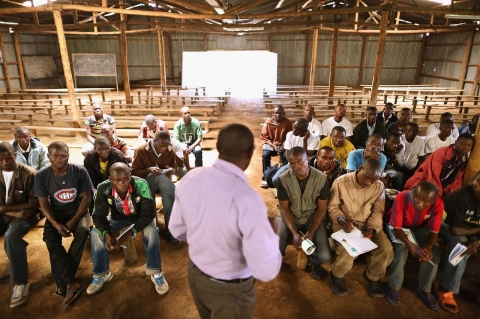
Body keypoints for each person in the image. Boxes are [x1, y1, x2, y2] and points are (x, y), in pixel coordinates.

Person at [170, 124, 282, 319]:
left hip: (196, 274)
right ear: (250, 152)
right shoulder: (248, 199)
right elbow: (265, 270)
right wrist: (270, 236)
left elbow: (177, 229)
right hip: (230, 291)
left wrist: (206, 234)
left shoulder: (191, 178)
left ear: (218, 148)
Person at [87, 163, 169, 296]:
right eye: (117, 180)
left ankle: (156, 272)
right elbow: (98, 216)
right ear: (110, 179)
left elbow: (148, 214)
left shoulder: (140, 184)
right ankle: (102, 274)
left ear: (130, 175)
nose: (122, 183)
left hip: (139, 217)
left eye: (126, 178)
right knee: (96, 233)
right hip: (117, 218)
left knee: (151, 231)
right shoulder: (103, 188)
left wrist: (127, 234)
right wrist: (107, 234)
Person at [34, 141, 93, 306]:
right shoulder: (41, 176)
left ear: (68, 156)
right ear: (48, 157)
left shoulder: (79, 171)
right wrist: (55, 223)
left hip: (78, 210)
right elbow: (43, 204)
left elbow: (87, 198)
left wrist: (74, 221)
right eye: (56, 156)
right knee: (50, 238)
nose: (60, 159)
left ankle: (63, 282)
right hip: (56, 212)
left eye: (64, 156)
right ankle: (70, 281)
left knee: (82, 231)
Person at [328, 158, 393, 297]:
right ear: (359, 168)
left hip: (368, 223)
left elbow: (377, 211)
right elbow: (333, 208)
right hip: (345, 223)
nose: (368, 183)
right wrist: (342, 221)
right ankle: (336, 275)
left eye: (373, 180)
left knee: (386, 249)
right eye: (366, 177)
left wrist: (371, 228)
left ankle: (372, 277)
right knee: (348, 251)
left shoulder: (379, 186)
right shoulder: (340, 182)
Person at [385, 181, 444, 309]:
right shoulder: (402, 197)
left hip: (418, 228)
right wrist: (411, 245)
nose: (420, 203)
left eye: (426, 202)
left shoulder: (438, 204)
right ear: (414, 192)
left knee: (434, 252)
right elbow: (397, 228)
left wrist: (427, 247)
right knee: (400, 250)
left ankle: (425, 287)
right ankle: (394, 286)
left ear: (433, 201)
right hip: (398, 228)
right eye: (417, 198)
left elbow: (433, 232)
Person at [277, 147, 331, 280]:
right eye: (292, 163)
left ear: (308, 159)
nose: (296, 166)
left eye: (300, 161)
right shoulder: (283, 179)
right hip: (290, 216)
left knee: (324, 256)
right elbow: (284, 208)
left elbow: (321, 208)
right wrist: (294, 232)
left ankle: (314, 263)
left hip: (311, 218)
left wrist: (311, 231)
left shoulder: (322, 179)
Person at [0, 142, 39, 307]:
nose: (4, 162)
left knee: (11, 237)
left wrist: (6, 210)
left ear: (15, 155)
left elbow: (34, 203)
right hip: (8, 214)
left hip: (25, 216)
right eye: (0, 160)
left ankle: (21, 282)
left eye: (8, 158)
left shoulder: (29, 173)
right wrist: (10, 211)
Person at [439, 172, 480, 313]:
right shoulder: (462, 196)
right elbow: (455, 231)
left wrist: (477, 241)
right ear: (473, 180)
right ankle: (445, 288)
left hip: (470, 230)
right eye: (479, 182)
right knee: (461, 247)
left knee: (468, 245)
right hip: (445, 224)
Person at [131, 131, 178, 245]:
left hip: (163, 185)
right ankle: (179, 197)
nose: (163, 149)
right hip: (145, 183)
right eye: (160, 146)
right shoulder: (141, 150)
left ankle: (171, 233)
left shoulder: (170, 150)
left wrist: (170, 170)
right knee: (163, 181)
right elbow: (134, 173)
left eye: (166, 146)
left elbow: (173, 167)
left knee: (169, 199)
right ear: (154, 141)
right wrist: (148, 170)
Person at [404, 133, 474, 197]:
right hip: (425, 180)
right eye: (463, 144)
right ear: (456, 142)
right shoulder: (442, 152)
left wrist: (450, 194)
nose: (465, 147)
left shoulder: (464, 161)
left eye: (469, 145)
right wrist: (438, 193)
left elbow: (457, 181)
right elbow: (433, 174)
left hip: (442, 187)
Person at [271, 118, 319, 187]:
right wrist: (293, 166)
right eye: (294, 128)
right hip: (291, 164)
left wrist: (305, 141)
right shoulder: (290, 134)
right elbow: (287, 155)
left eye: (297, 130)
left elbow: (306, 156)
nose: (294, 131)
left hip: (305, 167)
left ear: (305, 131)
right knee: (275, 180)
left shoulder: (315, 138)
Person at [260, 105, 293, 188]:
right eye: (276, 113)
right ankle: (265, 178)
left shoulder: (287, 123)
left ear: (284, 113)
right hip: (271, 145)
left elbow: (289, 137)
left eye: (280, 113)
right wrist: (273, 146)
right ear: (273, 114)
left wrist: (282, 146)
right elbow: (265, 138)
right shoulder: (268, 122)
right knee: (265, 155)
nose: (278, 115)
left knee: (286, 155)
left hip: (283, 145)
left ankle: (284, 177)